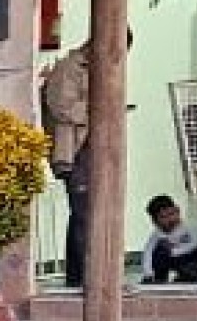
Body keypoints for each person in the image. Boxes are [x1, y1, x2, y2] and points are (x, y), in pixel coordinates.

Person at [42, 31, 131, 289]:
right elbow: (60, 105)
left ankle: (90, 274)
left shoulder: (103, 69)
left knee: (95, 212)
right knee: (83, 213)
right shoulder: (70, 67)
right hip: (75, 151)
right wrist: (102, 109)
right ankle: (81, 277)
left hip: (97, 150)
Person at [141, 194, 197, 284]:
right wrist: (148, 273)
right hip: (175, 260)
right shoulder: (157, 235)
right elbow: (148, 253)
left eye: (172, 214)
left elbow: (195, 243)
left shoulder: (189, 228)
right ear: (155, 222)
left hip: (193, 258)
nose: (170, 219)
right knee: (159, 251)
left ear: (177, 211)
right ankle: (159, 280)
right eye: (163, 217)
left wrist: (173, 251)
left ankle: (190, 276)